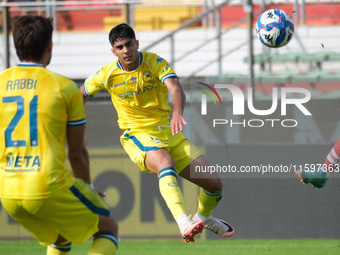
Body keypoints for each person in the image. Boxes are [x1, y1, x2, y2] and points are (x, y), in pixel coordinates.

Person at [80, 23, 234, 243]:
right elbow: (81, 94)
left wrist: (177, 112)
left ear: (137, 44)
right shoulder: (106, 74)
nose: (126, 50)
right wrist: (76, 128)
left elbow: (176, 88)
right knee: (165, 162)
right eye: (120, 47)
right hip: (138, 133)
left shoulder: (155, 62)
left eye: (129, 44)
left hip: (169, 131)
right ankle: (183, 222)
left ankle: (203, 218)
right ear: (113, 51)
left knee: (214, 184)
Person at [0, 16, 118, 255]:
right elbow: (76, 154)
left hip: (8, 190)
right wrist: (88, 187)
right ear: (49, 46)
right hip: (47, 184)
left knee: (60, 237)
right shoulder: (64, 88)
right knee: (108, 228)